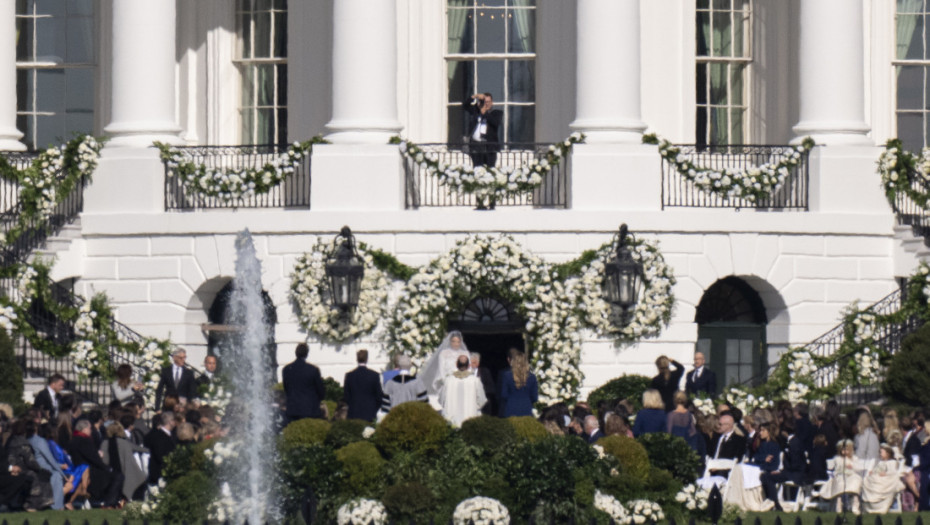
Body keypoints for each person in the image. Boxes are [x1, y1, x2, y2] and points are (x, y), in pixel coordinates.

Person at [68, 419, 123, 509]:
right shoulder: (84, 440)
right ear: (84, 429)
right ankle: (109, 503)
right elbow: (93, 458)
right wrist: (107, 467)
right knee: (118, 476)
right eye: (90, 428)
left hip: (80, 469)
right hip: (90, 471)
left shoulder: (74, 440)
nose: (91, 430)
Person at [6, 420, 54, 511]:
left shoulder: (11, 440)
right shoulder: (23, 443)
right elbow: (30, 461)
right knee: (42, 475)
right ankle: (35, 504)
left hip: (12, 468)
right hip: (21, 469)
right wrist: (39, 468)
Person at [100, 422, 149, 503]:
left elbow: (104, 460)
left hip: (110, 473)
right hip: (125, 473)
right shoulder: (125, 443)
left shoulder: (104, 443)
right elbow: (138, 448)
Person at [27, 420, 68, 510]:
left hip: (35, 467)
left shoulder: (28, 439)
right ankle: (57, 506)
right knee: (57, 476)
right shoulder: (39, 441)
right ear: (35, 428)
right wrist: (62, 473)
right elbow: (50, 459)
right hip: (43, 467)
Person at [281, 343, 326, 422]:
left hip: (293, 408)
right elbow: (320, 390)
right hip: (310, 409)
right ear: (307, 354)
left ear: (295, 353)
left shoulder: (286, 369)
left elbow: (286, 388)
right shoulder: (313, 370)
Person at [438, 355, 486, 427]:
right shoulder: (475, 381)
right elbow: (482, 400)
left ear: (456, 364)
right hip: (470, 418)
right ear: (469, 365)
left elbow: (441, 400)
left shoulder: (448, 380)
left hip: (451, 420)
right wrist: (472, 407)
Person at [818, 439, 863, 513]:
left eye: (847, 450)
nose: (845, 452)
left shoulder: (854, 458)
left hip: (852, 475)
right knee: (840, 483)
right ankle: (838, 505)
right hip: (840, 475)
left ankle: (855, 505)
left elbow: (858, 468)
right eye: (843, 450)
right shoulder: (837, 459)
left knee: (857, 481)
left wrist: (852, 466)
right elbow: (835, 469)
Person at [421, 331, 471, 396]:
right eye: (453, 341)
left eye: (458, 342)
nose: (456, 344)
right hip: (447, 382)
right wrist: (447, 382)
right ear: (450, 341)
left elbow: (469, 368)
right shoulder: (444, 353)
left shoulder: (465, 353)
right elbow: (441, 369)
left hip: (462, 382)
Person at [861, 443, 906, 514]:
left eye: (881, 452)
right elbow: (876, 470)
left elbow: (893, 473)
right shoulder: (880, 463)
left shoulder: (891, 463)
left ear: (887, 453)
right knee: (866, 480)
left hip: (885, 481)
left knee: (878, 482)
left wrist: (886, 474)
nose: (880, 454)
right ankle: (870, 505)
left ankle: (880, 505)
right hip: (876, 480)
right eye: (879, 452)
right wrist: (872, 473)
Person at [462, 93, 502, 168]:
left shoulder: (496, 113)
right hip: (476, 146)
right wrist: (474, 96)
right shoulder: (475, 112)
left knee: (490, 170)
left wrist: (484, 112)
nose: (486, 104)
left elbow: (495, 122)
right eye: (484, 102)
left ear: (492, 103)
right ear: (479, 103)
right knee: (477, 169)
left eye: (488, 102)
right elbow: (465, 105)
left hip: (489, 147)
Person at [343, 349, 383, 422]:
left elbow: (346, 396)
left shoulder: (349, 376)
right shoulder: (374, 375)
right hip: (370, 413)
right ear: (367, 359)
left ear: (356, 359)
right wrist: (374, 409)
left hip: (353, 412)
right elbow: (379, 396)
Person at [498, 350, 538, 417]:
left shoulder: (506, 376)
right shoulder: (532, 377)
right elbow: (534, 397)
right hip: (526, 408)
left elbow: (504, 395)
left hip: (510, 409)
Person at [144, 412, 177, 486]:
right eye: (174, 420)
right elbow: (161, 455)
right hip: (160, 473)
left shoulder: (157, 434)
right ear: (170, 421)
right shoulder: (160, 437)